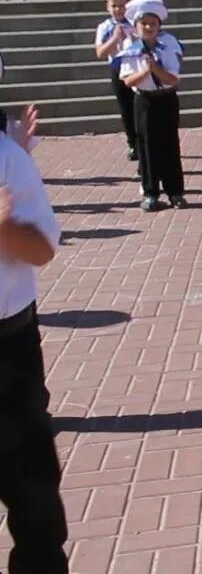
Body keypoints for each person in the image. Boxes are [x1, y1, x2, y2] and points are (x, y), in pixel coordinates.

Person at [0, 103, 71, 574]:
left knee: (34, 501)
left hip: (8, 353)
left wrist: (3, 228)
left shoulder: (5, 157)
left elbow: (41, 248)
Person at [117, 0, 187, 212]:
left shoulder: (169, 45)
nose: (148, 27)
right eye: (144, 23)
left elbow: (173, 79)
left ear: (159, 25)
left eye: (153, 23)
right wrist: (145, 71)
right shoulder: (131, 49)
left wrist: (156, 69)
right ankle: (150, 193)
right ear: (136, 27)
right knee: (147, 147)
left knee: (170, 145)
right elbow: (127, 81)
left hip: (166, 98)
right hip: (144, 100)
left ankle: (175, 192)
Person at [92, 0, 139, 161]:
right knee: (126, 108)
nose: (118, 10)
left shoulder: (136, 23)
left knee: (140, 106)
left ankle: (146, 141)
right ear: (108, 7)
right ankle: (133, 143)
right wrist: (114, 38)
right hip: (118, 68)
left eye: (122, 6)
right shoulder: (104, 27)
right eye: (114, 6)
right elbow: (100, 53)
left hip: (136, 67)